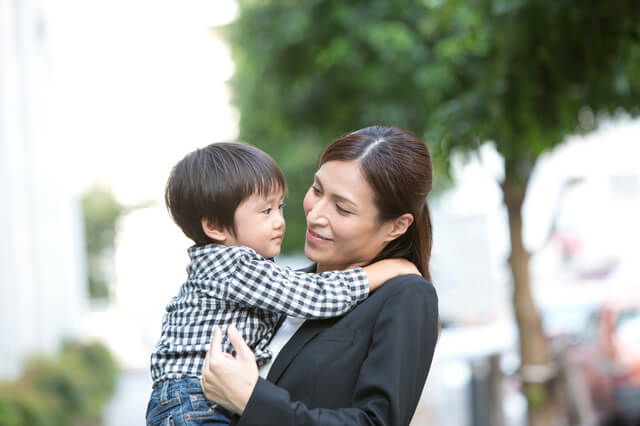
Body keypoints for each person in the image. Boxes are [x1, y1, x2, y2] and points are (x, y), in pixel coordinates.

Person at [146, 142, 419, 426]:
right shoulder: (235, 265)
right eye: (266, 211)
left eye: (280, 207)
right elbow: (315, 296)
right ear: (214, 226)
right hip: (193, 399)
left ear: (397, 226)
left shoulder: (408, 295)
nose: (280, 221)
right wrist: (384, 270)